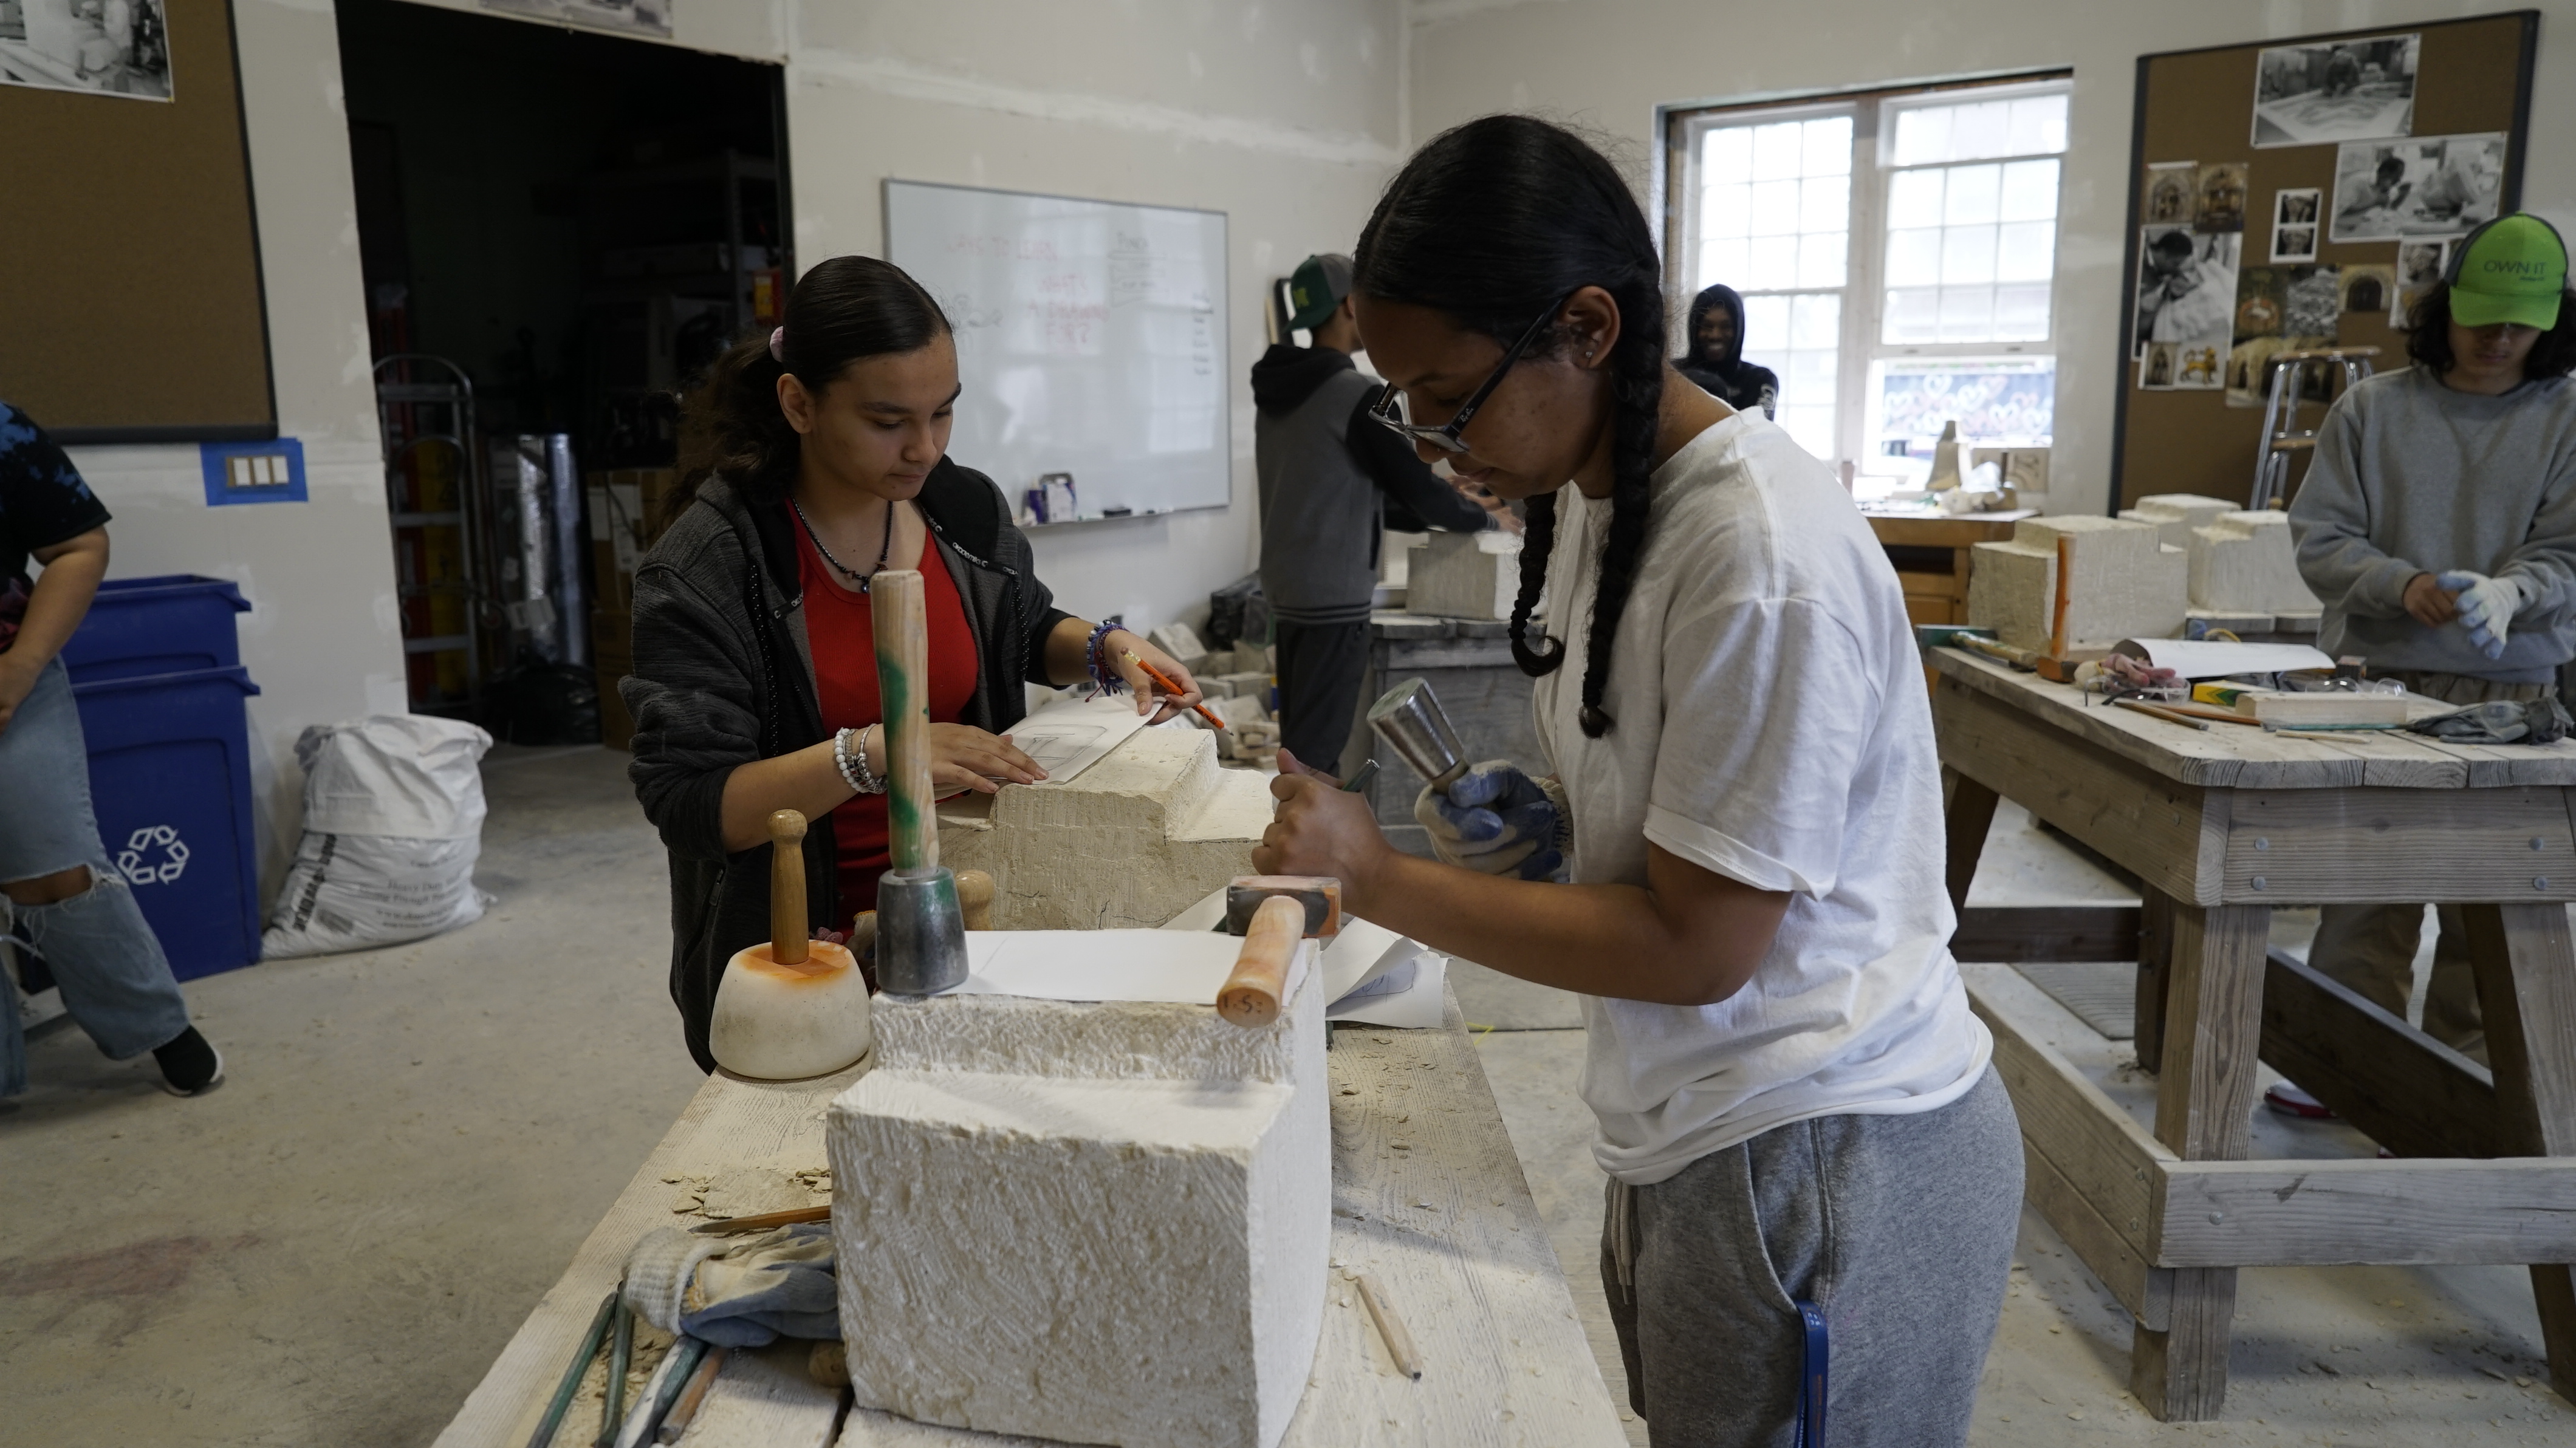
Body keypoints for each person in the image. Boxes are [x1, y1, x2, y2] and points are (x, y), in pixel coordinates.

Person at [1253, 117, 2018, 1444]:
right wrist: (1558, 824)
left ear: (1589, 329)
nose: (1430, 442)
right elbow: (1680, 833)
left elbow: (1698, 944)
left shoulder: (1752, 553)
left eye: (1447, 396)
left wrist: (1377, 874)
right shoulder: (1593, 498)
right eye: (1403, 404)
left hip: (1821, 1149)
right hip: (1698, 1124)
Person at [625, 257, 1207, 1071]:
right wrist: (878, 753)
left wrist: (1108, 646)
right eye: (889, 420)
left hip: (974, 914)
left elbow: (1020, 622)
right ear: (799, 404)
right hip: (811, 966)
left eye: (944, 414)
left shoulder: (959, 508)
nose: (925, 448)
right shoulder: (712, 566)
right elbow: (692, 802)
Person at [2287, 212, 2576, 1064]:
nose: (2499, 338)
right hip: (2382, 685)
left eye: (2522, 326)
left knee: (2491, 899)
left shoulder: (2566, 417)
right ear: (2442, 308)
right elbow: (2322, 538)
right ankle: (2344, 1061)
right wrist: (2401, 585)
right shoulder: (2371, 411)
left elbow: (2568, 552)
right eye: (2481, 317)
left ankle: (2475, 1076)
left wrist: (2512, 591)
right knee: (2364, 888)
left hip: (2515, 691)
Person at [0, 401, 221, 1098]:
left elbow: (78, 545)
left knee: (53, 868)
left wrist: (20, 668)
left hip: (8, 679)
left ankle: (155, 1026)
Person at [1253, 252, 1502, 770]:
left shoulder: (1279, 392)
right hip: (1334, 601)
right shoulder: (1355, 394)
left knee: (1298, 746)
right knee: (1317, 759)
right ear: (1351, 305)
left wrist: (1450, 501)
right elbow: (1417, 489)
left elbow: (1355, 496)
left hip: (1287, 591)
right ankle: (1312, 847)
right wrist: (1484, 517)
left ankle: (1293, 836)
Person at [1671, 284, 1778, 418]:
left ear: (1739, 330)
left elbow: (1756, 435)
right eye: (1707, 326)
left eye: (1726, 327)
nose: (1715, 335)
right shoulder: (1673, 375)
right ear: (1694, 328)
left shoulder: (1760, 380)